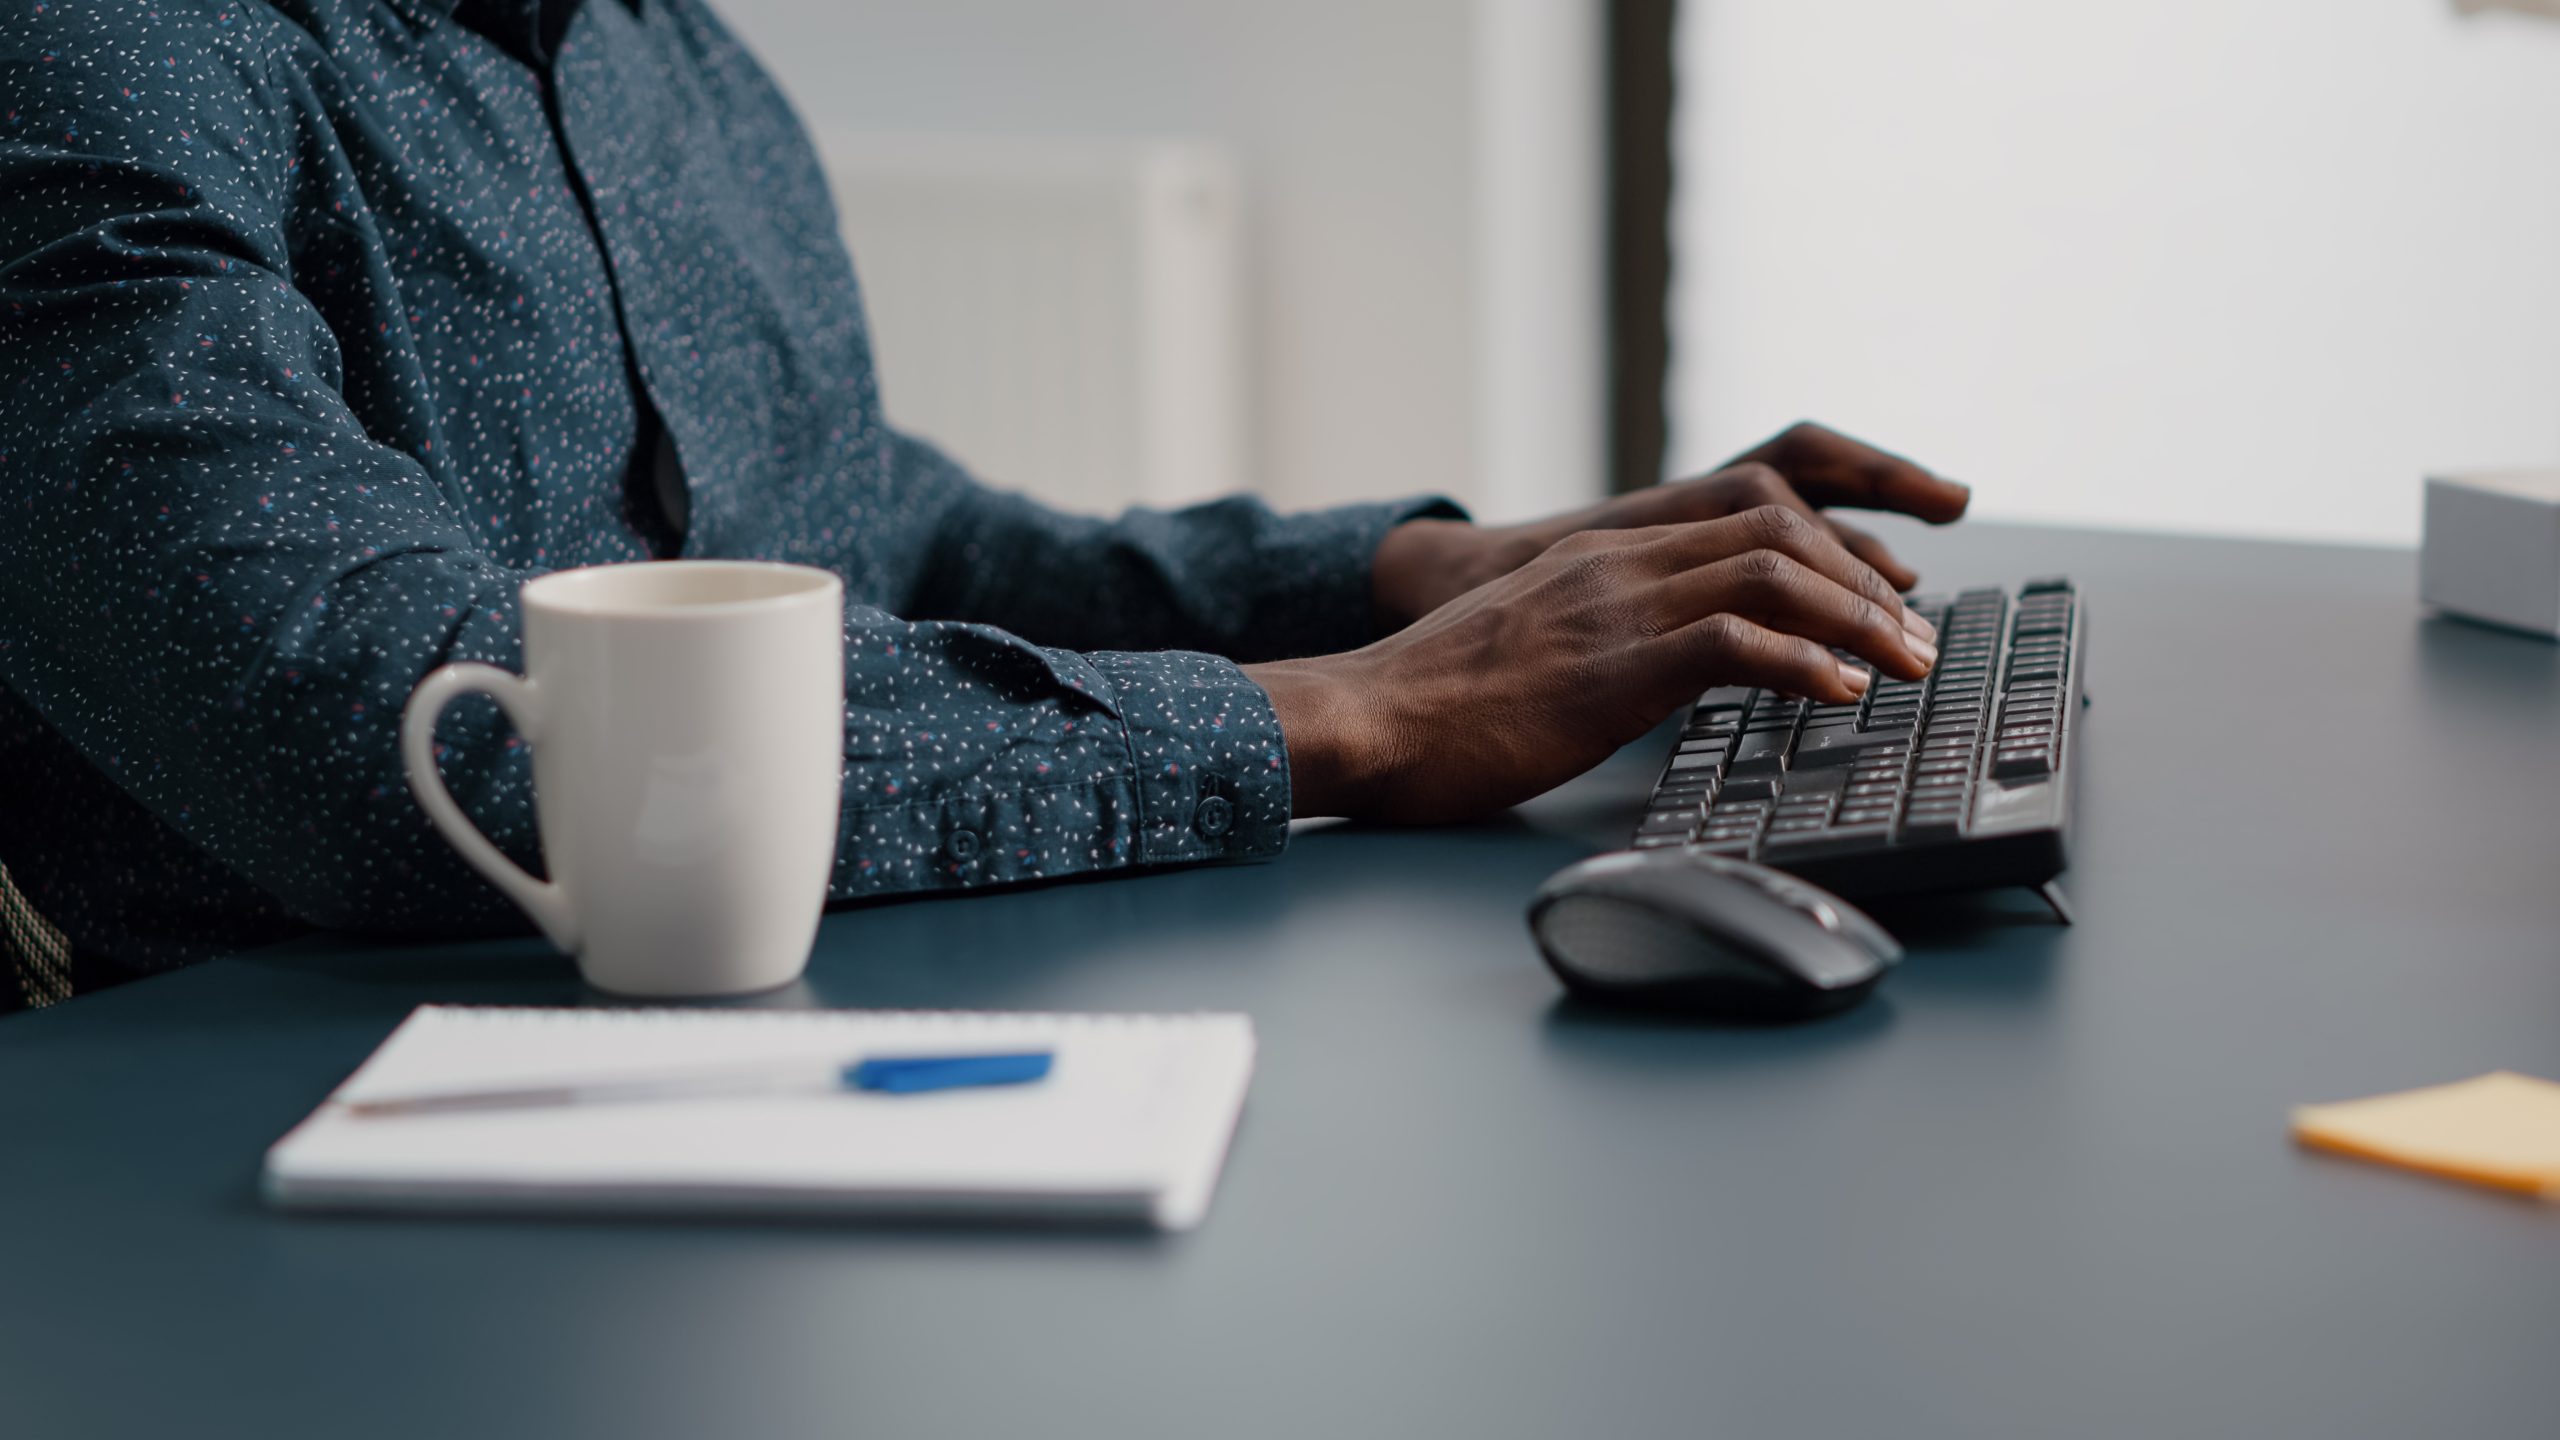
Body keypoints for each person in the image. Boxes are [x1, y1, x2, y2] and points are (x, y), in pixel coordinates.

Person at [0, 0, 1967, 1007]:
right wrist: (1358, 717)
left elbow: (866, 534)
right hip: (232, 1116)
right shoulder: (90, 66)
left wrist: (1401, 579)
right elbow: (387, 734)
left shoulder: (654, 56)